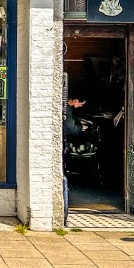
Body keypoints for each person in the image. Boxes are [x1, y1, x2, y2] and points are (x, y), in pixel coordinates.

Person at [62, 93, 87, 226]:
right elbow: (70, 128)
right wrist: (81, 128)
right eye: (80, 103)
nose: (80, 106)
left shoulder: (68, 108)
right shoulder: (68, 109)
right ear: (75, 100)